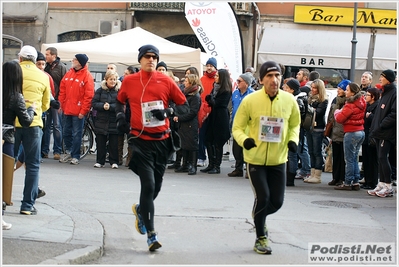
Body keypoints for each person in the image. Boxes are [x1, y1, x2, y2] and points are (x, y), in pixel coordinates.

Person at [115, 44, 189, 251]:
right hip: (139, 140)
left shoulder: (166, 80)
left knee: (155, 187)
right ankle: (151, 234)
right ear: (140, 60)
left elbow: (184, 104)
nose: (151, 60)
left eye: (154, 57)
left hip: (162, 141)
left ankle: (141, 209)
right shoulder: (129, 81)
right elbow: (119, 101)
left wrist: (167, 112)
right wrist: (121, 116)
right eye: (147, 57)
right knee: (147, 185)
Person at [232, 61, 300, 254]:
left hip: (279, 160)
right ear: (261, 80)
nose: (274, 80)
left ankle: (258, 217)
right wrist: (245, 140)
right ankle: (261, 237)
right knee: (263, 198)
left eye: (277, 76)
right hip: (255, 159)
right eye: (269, 76)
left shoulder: (289, 101)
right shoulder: (250, 101)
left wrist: (293, 140)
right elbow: (237, 127)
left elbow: (295, 125)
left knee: (276, 202)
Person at [14, 45, 51, 215]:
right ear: (36, 60)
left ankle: (3, 201)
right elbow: (46, 104)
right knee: (33, 164)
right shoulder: (43, 76)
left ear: (20, 58)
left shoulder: (12, 72)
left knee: (6, 163)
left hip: (12, 124)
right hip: (34, 124)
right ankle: (27, 205)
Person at [3, 60, 36, 227]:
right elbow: (26, 121)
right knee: (4, 178)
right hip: (6, 140)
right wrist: (32, 108)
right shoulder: (16, 96)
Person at [58, 53, 94, 165]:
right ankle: (69, 151)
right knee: (66, 132)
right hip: (67, 109)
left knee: (77, 134)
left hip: (78, 111)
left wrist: (83, 111)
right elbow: (62, 90)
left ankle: (75, 155)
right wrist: (61, 105)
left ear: (79, 62)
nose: (72, 60)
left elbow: (88, 95)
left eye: (75, 59)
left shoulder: (87, 76)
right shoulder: (69, 73)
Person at [368, 69, 396, 197]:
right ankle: (382, 183)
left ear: (388, 79)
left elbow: (394, 114)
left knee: (383, 157)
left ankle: (388, 185)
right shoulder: (384, 92)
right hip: (380, 131)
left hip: (386, 132)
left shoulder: (394, 93)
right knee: (380, 157)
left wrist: (381, 125)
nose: (380, 79)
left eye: (382, 77)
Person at [334, 82, 366, 191]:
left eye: (347, 90)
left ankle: (347, 182)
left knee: (349, 159)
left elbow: (340, 118)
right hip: (360, 131)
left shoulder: (350, 105)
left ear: (352, 92)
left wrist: (337, 112)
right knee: (355, 157)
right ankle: (356, 181)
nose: (345, 92)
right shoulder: (362, 101)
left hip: (351, 132)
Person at [200, 68, 232, 174]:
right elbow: (212, 102)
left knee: (218, 142)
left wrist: (211, 100)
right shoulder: (215, 87)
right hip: (213, 115)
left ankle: (216, 166)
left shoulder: (226, 90)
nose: (215, 77)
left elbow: (220, 104)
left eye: (217, 76)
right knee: (208, 139)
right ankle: (211, 164)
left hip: (221, 117)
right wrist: (210, 100)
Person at [91, 70, 121, 169]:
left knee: (114, 142)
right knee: (100, 142)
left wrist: (111, 107)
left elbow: (121, 104)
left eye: (114, 79)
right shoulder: (100, 90)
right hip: (101, 119)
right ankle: (100, 161)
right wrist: (103, 106)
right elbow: (94, 103)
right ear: (106, 80)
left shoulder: (119, 91)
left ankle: (114, 161)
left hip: (114, 119)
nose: (113, 81)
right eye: (111, 79)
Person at [172, 74, 201, 175]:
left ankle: (193, 165)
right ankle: (185, 164)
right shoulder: (185, 93)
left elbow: (193, 112)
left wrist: (180, 118)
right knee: (183, 144)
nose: (184, 82)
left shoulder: (195, 96)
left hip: (190, 123)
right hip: (183, 122)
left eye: (186, 81)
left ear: (191, 82)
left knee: (192, 145)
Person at [227, 72, 254, 178]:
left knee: (247, 148)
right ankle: (238, 168)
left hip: (248, 125)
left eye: (239, 81)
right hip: (237, 123)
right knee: (236, 149)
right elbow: (231, 107)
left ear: (246, 83)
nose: (237, 83)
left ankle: (249, 169)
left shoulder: (252, 94)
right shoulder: (235, 93)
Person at [43, 47, 67, 160]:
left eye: (47, 54)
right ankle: (45, 150)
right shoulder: (46, 66)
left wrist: (60, 101)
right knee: (47, 126)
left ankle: (57, 150)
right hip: (47, 99)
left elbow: (64, 85)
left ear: (54, 55)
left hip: (56, 100)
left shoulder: (61, 67)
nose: (46, 56)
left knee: (57, 126)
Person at [303, 79, 328, 184]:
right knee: (311, 151)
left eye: (314, 88)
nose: (312, 90)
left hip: (318, 128)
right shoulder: (309, 98)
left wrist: (309, 108)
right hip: (309, 128)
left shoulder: (323, 100)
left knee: (317, 152)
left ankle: (317, 175)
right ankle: (312, 173)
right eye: (311, 87)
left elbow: (318, 113)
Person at [282, 78, 305, 186]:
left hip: (293, 131)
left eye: (286, 87)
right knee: (290, 155)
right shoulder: (294, 99)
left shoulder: (297, 100)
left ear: (292, 90)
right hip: (290, 130)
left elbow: (295, 117)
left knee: (292, 155)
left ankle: (290, 178)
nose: (283, 89)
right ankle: (288, 177)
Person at [325, 79, 349, 186]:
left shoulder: (348, 101)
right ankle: (335, 177)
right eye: (338, 88)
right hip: (335, 130)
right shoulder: (335, 100)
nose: (338, 90)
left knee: (342, 157)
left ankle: (342, 178)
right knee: (336, 156)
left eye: (341, 89)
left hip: (343, 131)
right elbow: (331, 114)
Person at [198, 57, 218, 167]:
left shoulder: (218, 79)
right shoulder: (202, 79)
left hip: (213, 110)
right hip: (202, 110)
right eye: (208, 65)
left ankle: (213, 160)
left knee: (211, 137)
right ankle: (201, 157)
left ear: (215, 67)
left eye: (211, 65)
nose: (209, 67)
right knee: (201, 134)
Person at [361, 87, 380, 189]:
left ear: (373, 96)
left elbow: (378, 120)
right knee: (366, 159)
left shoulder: (377, 106)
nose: (365, 97)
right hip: (366, 135)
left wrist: (370, 116)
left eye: (367, 95)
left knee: (372, 160)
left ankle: (372, 182)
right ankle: (367, 180)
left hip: (372, 136)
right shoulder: (367, 106)